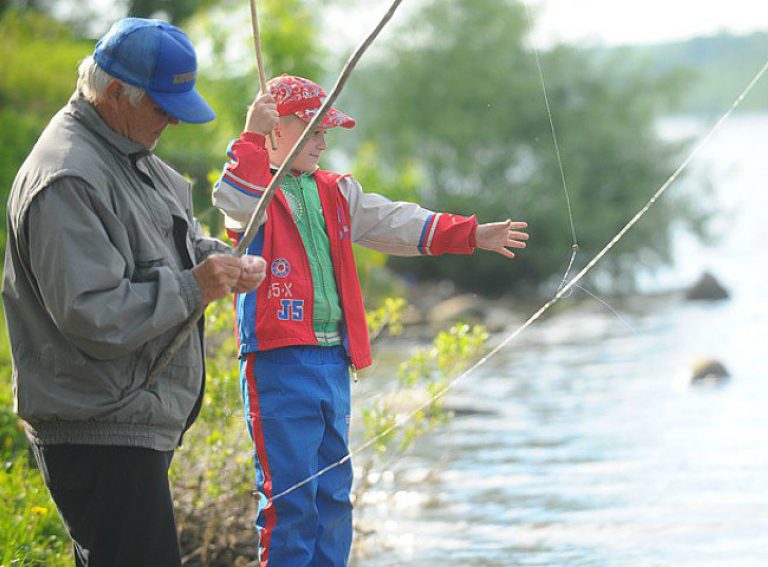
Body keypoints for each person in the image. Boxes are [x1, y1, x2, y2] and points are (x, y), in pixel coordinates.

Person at [212, 73, 529, 566]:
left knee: (335, 496)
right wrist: (251, 136)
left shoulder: (336, 191)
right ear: (278, 129)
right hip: (276, 362)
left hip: (332, 361)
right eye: (314, 129)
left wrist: (470, 234)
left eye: (325, 132)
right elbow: (235, 201)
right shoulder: (251, 187)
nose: (323, 141)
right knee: (289, 500)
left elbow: (396, 221)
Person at [2, 18, 266, 567]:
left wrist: (220, 260)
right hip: (99, 431)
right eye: (163, 105)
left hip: (123, 425)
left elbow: (173, 241)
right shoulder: (69, 177)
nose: (172, 118)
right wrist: (196, 286)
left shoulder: (125, 151)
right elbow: (94, 315)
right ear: (115, 93)